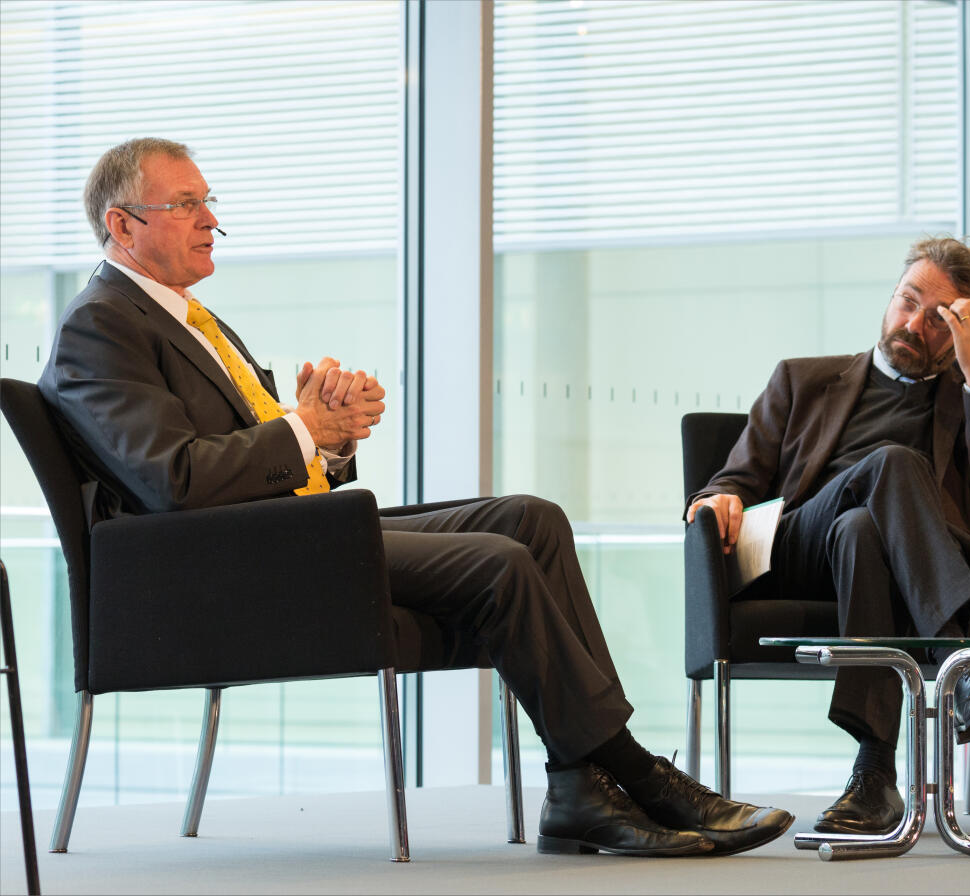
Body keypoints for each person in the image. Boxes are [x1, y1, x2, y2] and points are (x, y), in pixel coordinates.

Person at [39, 138, 793, 858]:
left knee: (529, 517)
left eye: (210, 201)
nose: (211, 221)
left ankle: (579, 785)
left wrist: (325, 441)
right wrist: (304, 428)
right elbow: (175, 479)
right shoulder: (99, 327)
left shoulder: (192, 321)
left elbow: (253, 461)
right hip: (217, 568)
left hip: (278, 531)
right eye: (187, 204)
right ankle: (628, 773)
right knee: (498, 563)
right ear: (122, 224)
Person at [686, 236, 970, 836]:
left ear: (961, 335)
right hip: (802, 547)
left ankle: (874, 777)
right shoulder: (801, 380)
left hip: (898, 556)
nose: (913, 323)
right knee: (889, 464)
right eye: (907, 301)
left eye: (938, 319)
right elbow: (732, 480)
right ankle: (959, 665)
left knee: (861, 530)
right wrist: (714, 499)